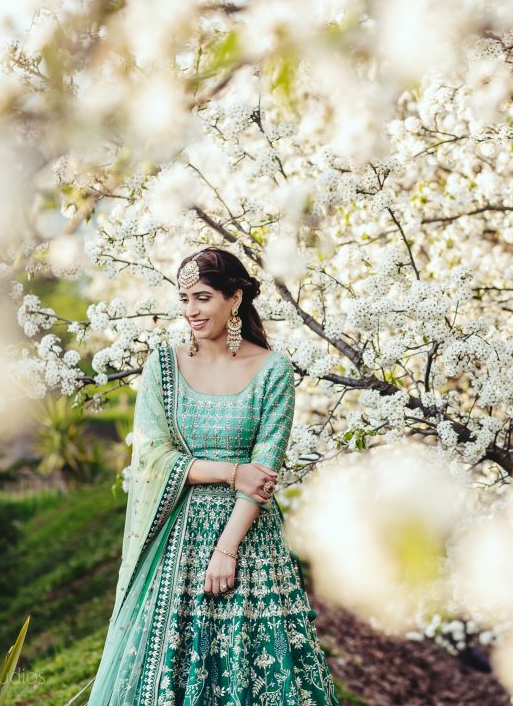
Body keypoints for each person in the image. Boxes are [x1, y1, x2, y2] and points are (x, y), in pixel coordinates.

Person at [84, 247, 340, 706]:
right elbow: (151, 456)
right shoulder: (163, 367)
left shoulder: (272, 370)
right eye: (184, 299)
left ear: (235, 298)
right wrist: (230, 471)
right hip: (175, 541)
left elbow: (264, 474)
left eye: (202, 297)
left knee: (253, 671)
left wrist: (227, 550)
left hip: (250, 542)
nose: (191, 311)